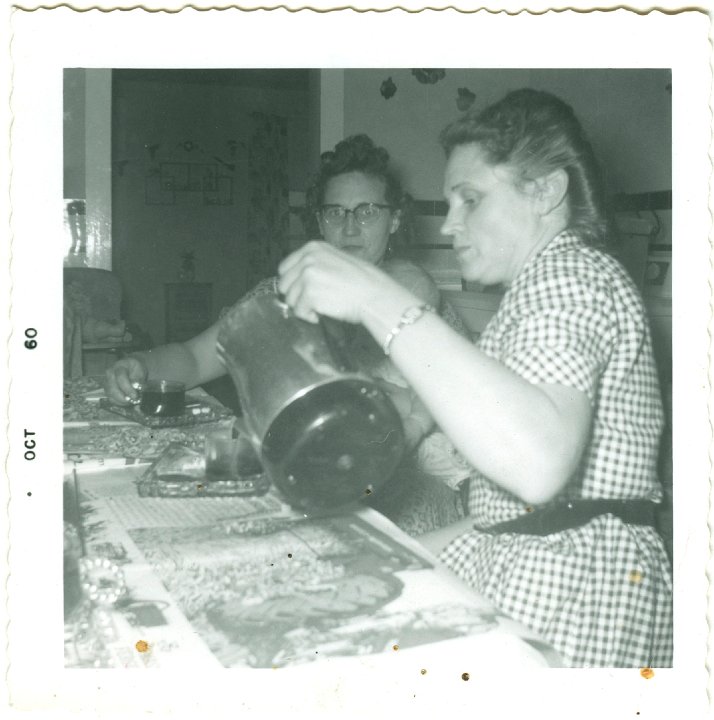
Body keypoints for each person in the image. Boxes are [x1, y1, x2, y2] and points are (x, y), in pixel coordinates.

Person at [275, 89, 672, 667]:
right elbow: (504, 516)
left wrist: (374, 297)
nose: (451, 225)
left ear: (546, 191)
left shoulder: (573, 273)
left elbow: (537, 465)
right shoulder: (536, 290)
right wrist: (392, 552)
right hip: (537, 563)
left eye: (471, 200)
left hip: (583, 595)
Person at [104, 134, 466, 451]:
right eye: (335, 212)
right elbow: (196, 358)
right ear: (321, 222)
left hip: (413, 474)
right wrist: (142, 366)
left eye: (367, 212)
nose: (350, 227)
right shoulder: (283, 294)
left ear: (396, 219)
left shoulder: (418, 297)